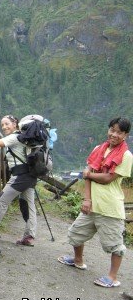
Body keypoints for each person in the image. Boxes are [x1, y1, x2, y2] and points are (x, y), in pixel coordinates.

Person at [58, 117, 132, 288]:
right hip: (91, 205)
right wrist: (87, 199)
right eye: (112, 130)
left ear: (125, 135)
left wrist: (88, 174)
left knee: (115, 245)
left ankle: (112, 277)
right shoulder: (99, 149)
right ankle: (78, 260)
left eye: (119, 132)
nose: (114, 134)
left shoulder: (126, 156)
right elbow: (88, 176)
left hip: (109, 207)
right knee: (76, 233)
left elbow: (108, 178)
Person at [0, 115, 38, 246]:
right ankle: (29, 236)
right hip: (30, 175)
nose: (4, 127)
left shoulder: (15, 137)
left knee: (1, 201)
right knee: (28, 204)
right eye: (2, 125)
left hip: (20, 176)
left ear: (15, 124)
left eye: (7, 124)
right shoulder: (24, 137)